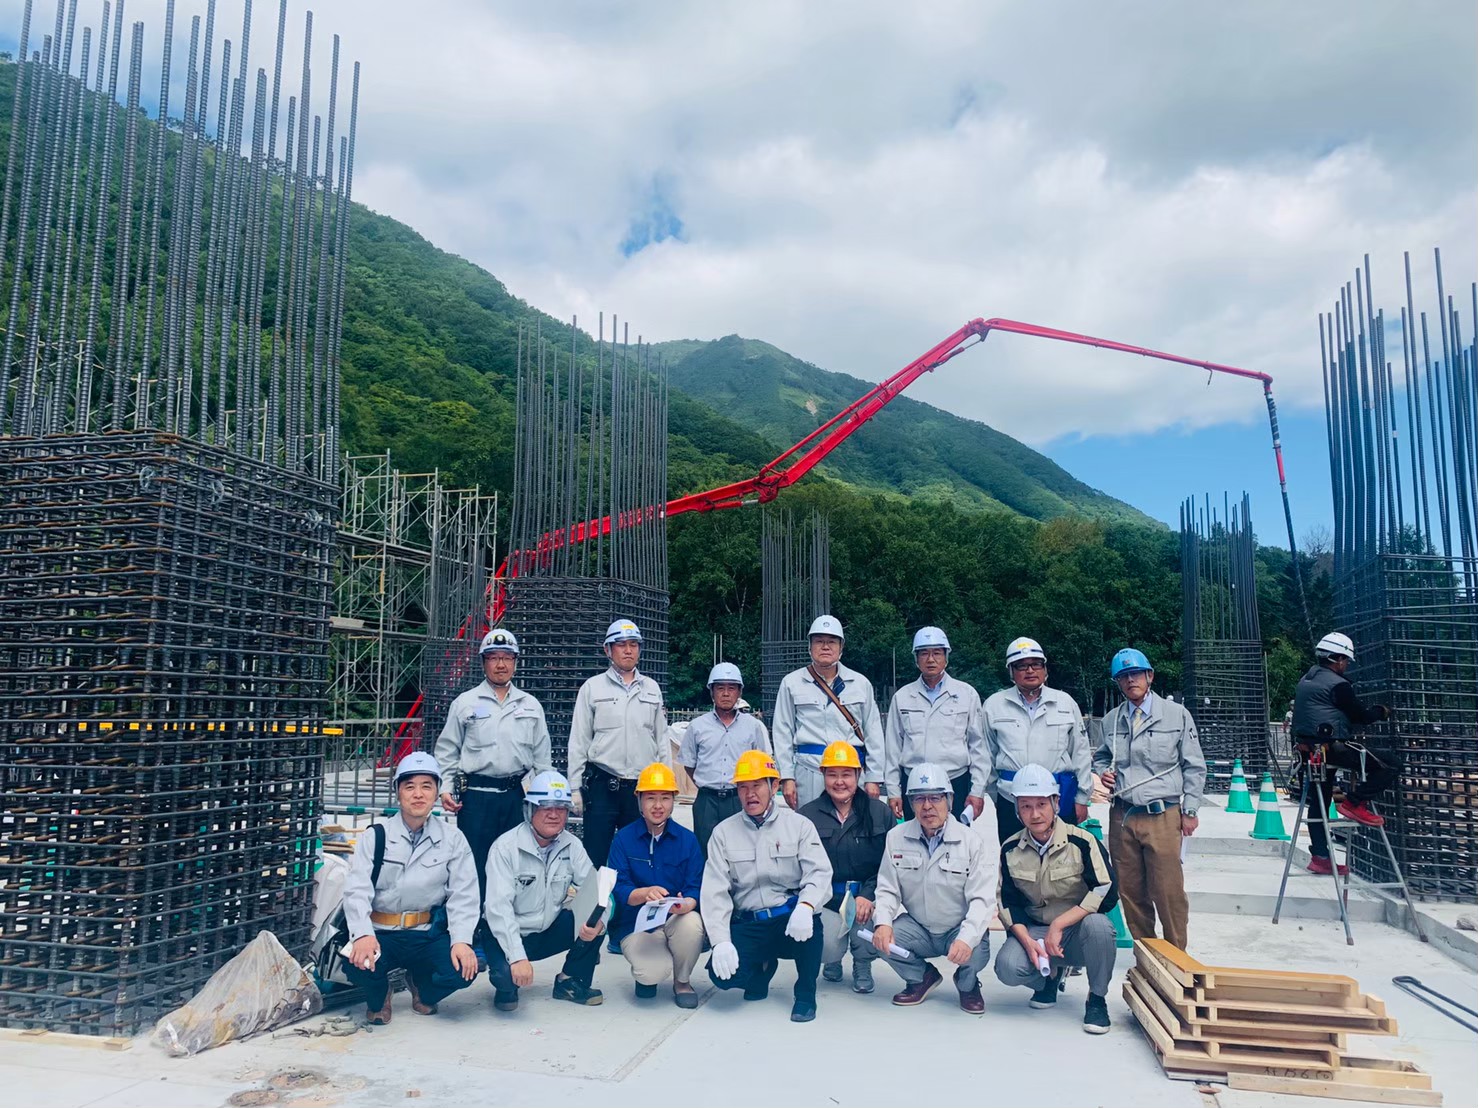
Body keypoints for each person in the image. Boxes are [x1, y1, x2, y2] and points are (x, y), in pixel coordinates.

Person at [342, 752, 480, 1024]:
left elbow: (464, 895)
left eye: (426, 786)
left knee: (464, 970)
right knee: (356, 965)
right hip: (381, 932)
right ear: (398, 792)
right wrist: (362, 935)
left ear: (437, 792)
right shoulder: (376, 836)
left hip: (426, 933)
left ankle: (422, 988)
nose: (418, 794)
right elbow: (356, 890)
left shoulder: (453, 839)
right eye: (409, 787)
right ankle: (381, 994)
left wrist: (461, 940)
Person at [702, 749, 834, 1023]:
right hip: (750, 922)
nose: (750, 794)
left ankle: (805, 995)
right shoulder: (723, 833)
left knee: (812, 927)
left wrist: (806, 906)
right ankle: (761, 969)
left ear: (774, 787)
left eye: (757, 785)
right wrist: (720, 941)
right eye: (743, 787)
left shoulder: (799, 826)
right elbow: (714, 892)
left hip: (789, 918)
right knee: (722, 975)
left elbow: (820, 872)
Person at [1093, 647, 1205, 953]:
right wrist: (1103, 772)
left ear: (1150, 676)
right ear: (1118, 683)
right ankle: (1148, 956)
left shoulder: (1176, 715)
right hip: (1123, 815)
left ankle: (1176, 957)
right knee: (1131, 891)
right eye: (1123, 677)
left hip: (1163, 814)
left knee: (1168, 890)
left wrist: (1190, 810)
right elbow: (1101, 756)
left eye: (1136, 674)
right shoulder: (1112, 721)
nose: (1131, 681)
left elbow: (1194, 765)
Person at [992, 764, 1119, 1034]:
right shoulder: (1011, 848)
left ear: (1056, 803)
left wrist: (1059, 925)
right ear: (1016, 809)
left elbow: (1105, 891)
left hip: (1077, 931)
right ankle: (1048, 978)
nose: (1035, 814)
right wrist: (1027, 942)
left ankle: (1097, 998)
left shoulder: (1083, 842)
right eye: (1026, 806)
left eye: (1041, 804)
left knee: (1100, 927)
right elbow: (1008, 903)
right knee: (1007, 968)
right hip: (1037, 933)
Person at [870, 762, 999, 1015]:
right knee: (880, 938)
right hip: (919, 928)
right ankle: (921, 977)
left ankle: (967, 984)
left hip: (957, 928)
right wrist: (883, 923)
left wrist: (965, 938)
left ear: (949, 800)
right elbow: (887, 889)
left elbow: (982, 900)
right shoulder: (896, 837)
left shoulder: (971, 842)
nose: (927, 806)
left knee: (977, 949)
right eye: (919, 799)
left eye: (935, 798)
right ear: (911, 803)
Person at [434, 628, 552, 905]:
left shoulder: (531, 705)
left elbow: (542, 759)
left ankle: (510, 920)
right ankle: (474, 922)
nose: (501, 664)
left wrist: (545, 801)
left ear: (515, 662)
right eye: (494, 657)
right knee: (473, 864)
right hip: (477, 798)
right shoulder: (465, 704)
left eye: (507, 658)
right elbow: (447, 750)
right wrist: (445, 788)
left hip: (516, 798)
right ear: (483, 662)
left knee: (516, 862)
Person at [482, 770, 605, 1011]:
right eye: (545, 807)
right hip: (507, 934)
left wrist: (598, 924)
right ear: (529, 810)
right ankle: (507, 983)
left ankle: (570, 981)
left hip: (547, 929)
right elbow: (498, 909)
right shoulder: (505, 848)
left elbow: (595, 889)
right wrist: (517, 957)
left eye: (561, 808)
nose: (554, 814)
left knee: (597, 918)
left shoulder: (572, 845)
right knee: (507, 980)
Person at [1292, 632, 1398, 876]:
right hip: (1333, 749)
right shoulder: (1338, 685)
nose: (1346, 665)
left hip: (1310, 751)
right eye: (1346, 660)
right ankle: (1354, 802)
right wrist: (1380, 711)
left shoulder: (1306, 679)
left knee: (1320, 801)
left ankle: (1320, 857)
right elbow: (1360, 716)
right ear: (1337, 658)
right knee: (1391, 764)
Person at [568, 618, 667, 867]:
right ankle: (595, 895)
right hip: (603, 785)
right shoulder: (592, 688)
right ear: (607, 650)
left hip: (640, 789)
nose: (628, 650)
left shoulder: (651, 689)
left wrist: (665, 787)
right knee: (595, 856)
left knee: (639, 857)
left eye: (633, 644)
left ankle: (633, 895)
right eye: (621, 645)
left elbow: (662, 741)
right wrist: (574, 788)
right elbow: (579, 740)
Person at [607, 763, 706, 1008]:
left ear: (674, 801)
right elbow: (618, 888)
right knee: (650, 974)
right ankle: (652, 966)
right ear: (639, 800)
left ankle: (682, 981)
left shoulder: (687, 840)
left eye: (665, 798)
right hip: (635, 926)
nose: (658, 805)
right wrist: (642, 894)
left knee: (692, 923)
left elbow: (695, 886)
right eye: (650, 798)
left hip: (674, 919)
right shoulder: (623, 839)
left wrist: (687, 903)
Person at [798, 741, 891, 994]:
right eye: (832, 774)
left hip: (868, 899)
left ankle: (863, 963)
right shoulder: (807, 816)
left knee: (868, 932)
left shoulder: (879, 813)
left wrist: (868, 895)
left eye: (846, 774)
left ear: (858, 775)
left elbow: (890, 865)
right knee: (826, 944)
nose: (839, 782)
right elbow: (802, 868)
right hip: (828, 899)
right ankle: (833, 958)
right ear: (823, 775)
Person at [982, 636, 1093, 840]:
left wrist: (1082, 798)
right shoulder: (994, 705)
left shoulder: (1065, 703)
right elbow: (986, 756)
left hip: (1058, 798)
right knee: (1014, 854)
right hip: (1012, 798)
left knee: (1063, 855)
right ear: (1011, 671)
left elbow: (1081, 753)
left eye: (1036, 664)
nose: (1030, 670)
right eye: (1022, 666)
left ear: (1045, 668)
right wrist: (997, 796)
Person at [771, 614, 884, 810]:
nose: (825, 647)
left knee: (853, 824)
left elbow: (873, 733)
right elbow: (782, 732)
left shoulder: (860, 683)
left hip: (850, 770)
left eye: (832, 641)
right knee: (809, 824)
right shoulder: (792, 683)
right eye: (819, 641)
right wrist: (787, 777)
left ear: (841, 647)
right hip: (810, 770)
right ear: (810, 646)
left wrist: (873, 777)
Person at [883, 626, 990, 822]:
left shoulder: (966, 694)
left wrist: (977, 791)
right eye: (924, 653)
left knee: (956, 838)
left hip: (955, 781)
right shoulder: (902, 697)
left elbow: (978, 747)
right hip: (913, 784)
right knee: (913, 837)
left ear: (946, 657)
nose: (930, 659)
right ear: (916, 658)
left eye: (937, 653)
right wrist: (893, 791)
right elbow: (893, 749)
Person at [679, 662, 772, 855]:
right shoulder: (697, 727)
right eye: (720, 688)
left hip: (740, 798)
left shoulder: (753, 726)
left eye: (732, 688)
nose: (726, 694)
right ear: (712, 692)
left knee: (743, 851)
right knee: (706, 852)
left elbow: (764, 765)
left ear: (739, 692)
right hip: (707, 801)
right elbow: (689, 764)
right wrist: (707, 782)